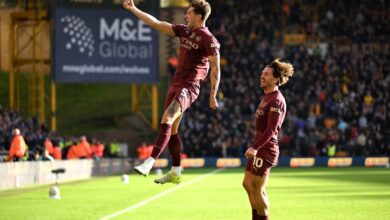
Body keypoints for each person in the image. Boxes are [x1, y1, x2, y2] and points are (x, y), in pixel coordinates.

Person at [123, 0, 221, 184]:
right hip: (175, 84)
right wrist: (134, 8)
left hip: (189, 87)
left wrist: (213, 94)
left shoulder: (209, 39)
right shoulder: (184, 31)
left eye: (189, 13)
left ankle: (150, 161)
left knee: (167, 118)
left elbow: (215, 67)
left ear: (199, 16)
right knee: (173, 130)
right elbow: (156, 24)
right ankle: (175, 171)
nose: (186, 16)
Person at [242, 59, 294, 220]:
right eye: (262, 73)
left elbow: (272, 129)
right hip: (259, 147)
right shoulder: (267, 97)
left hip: (266, 149)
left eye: (266, 74)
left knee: (258, 189)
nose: (262, 76)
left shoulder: (276, 100)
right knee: (248, 184)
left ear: (276, 79)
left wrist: (255, 147)